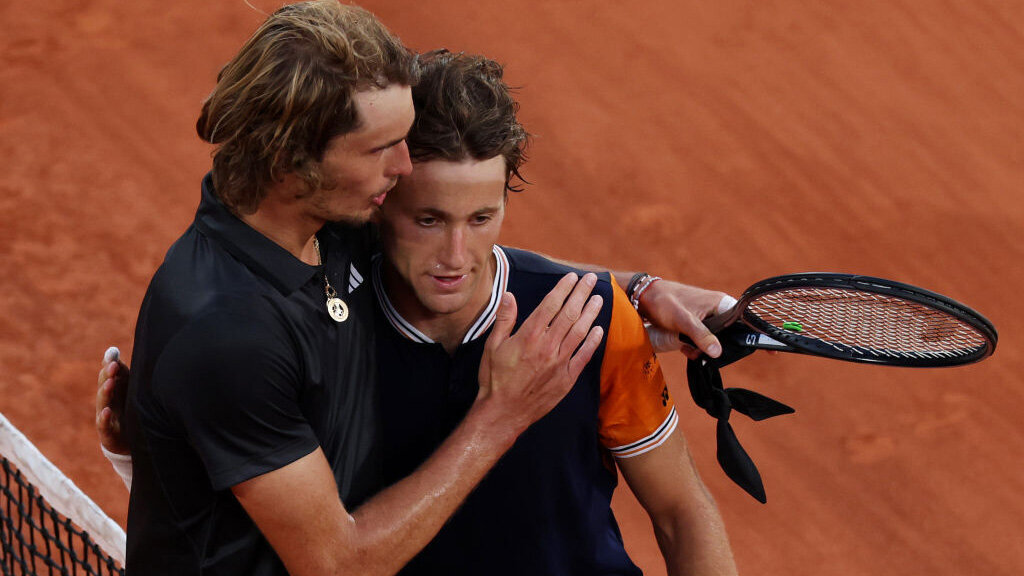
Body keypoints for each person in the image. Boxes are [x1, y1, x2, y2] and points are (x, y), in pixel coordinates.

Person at [100, 42, 738, 574]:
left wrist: (632, 287)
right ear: (378, 206)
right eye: (428, 219)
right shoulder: (319, 329)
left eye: (482, 217)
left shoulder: (583, 318)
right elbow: (300, 540)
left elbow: (681, 513)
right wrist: (170, 449)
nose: (456, 255)